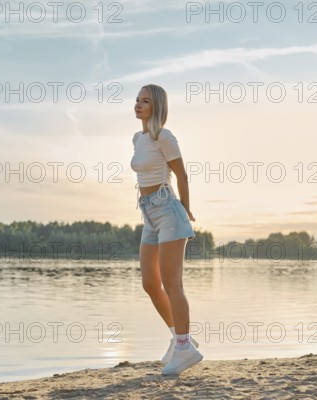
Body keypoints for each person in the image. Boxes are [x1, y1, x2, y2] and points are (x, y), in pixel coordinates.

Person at [130, 84, 203, 375]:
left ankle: (184, 347)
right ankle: (180, 338)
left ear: (157, 106)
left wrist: (185, 208)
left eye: (145, 101)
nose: (138, 104)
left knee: (173, 284)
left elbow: (182, 174)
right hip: (149, 214)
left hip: (168, 211)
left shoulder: (165, 136)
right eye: (137, 99)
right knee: (151, 283)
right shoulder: (138, 137)